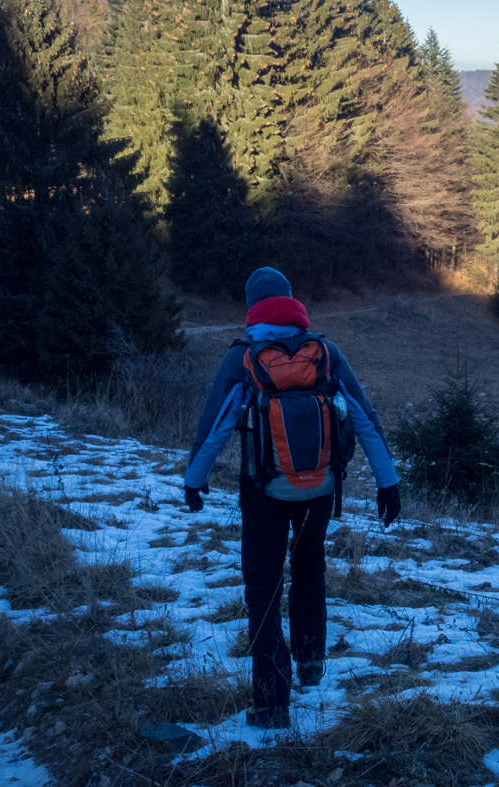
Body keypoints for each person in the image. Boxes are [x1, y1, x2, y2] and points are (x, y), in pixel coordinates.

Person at [184, 267, 402, 729]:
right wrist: (388, 482)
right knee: (309, 566)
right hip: (320, 489)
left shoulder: (244, 356)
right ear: (292, 302)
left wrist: (194, 478)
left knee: (262, 591)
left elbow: (216, 423)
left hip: (263, 492)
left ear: (251, 307)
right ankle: (309, 662)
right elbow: (365, 417)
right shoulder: (324, 351)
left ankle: (270, 705)